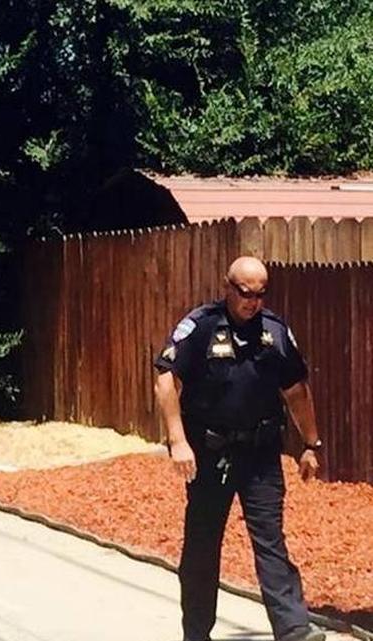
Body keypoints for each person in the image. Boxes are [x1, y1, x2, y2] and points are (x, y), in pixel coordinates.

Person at [153, 256, 326, 641]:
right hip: (211, 453)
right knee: (202, 545)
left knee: (271, 540)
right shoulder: (200, 325)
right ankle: (196, 633)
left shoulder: (275, 332)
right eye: (246, 293)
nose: (253, 302)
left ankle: (294, 629)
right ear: (228, 287)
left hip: (261, 453)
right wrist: (177, 441)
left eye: (261, 294)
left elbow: (296, 389)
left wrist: (311, 444)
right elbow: (166, 381)